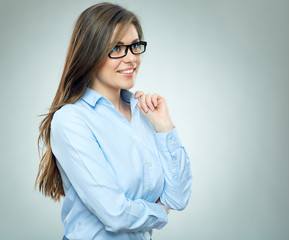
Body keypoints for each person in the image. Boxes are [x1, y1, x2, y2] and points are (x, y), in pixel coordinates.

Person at [35, 2, 192, 240]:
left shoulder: (145, 113)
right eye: (117, 48)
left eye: (135, 46)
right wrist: (160, 212)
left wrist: (164, 126)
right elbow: (115, 213)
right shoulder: (71, 121)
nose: (131, 59)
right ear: (90, 53)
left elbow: (178, 198)